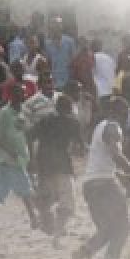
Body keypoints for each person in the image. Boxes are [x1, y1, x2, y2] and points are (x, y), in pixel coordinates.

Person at [72, 97, 130, 259]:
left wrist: (122, 175)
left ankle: (82, 255)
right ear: (120, 113)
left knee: (108, 230)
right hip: (104, 184)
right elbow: (116, 155)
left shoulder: (101, 126)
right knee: (122, 229)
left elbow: (105, 159)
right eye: (126, 114)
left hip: (92, 184)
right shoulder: (113, 127)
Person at [0, 83, 42, 234]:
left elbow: (27, 135)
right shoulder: (4, 113)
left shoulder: (23, 113)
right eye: (19, 93)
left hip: (19, 158)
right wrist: (8, 150)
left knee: (1, 191)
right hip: (9, 159)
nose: (22, 96)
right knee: (25, 188)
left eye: (23, 93)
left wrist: (30, 157)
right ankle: (34, 218)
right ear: (12, 95)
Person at [30, 94, 82, 245]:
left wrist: (32, 160)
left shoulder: (44, 120)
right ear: (70, 109)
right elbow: (80, 147)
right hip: (62, 165)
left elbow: (29, 136)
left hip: (44, 165)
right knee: (67, 203)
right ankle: (57, 235)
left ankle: (43, 218)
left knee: (48, 199)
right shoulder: (73, 123)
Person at [44, 17, 77, 89]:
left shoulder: (70, 41)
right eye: (53, 27)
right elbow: (48, 62)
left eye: (57, 26)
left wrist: (72, 77)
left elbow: (74, 60)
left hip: (67, 77)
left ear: (61, 27)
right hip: (54, 78)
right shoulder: (47, 43)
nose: (55, 29)